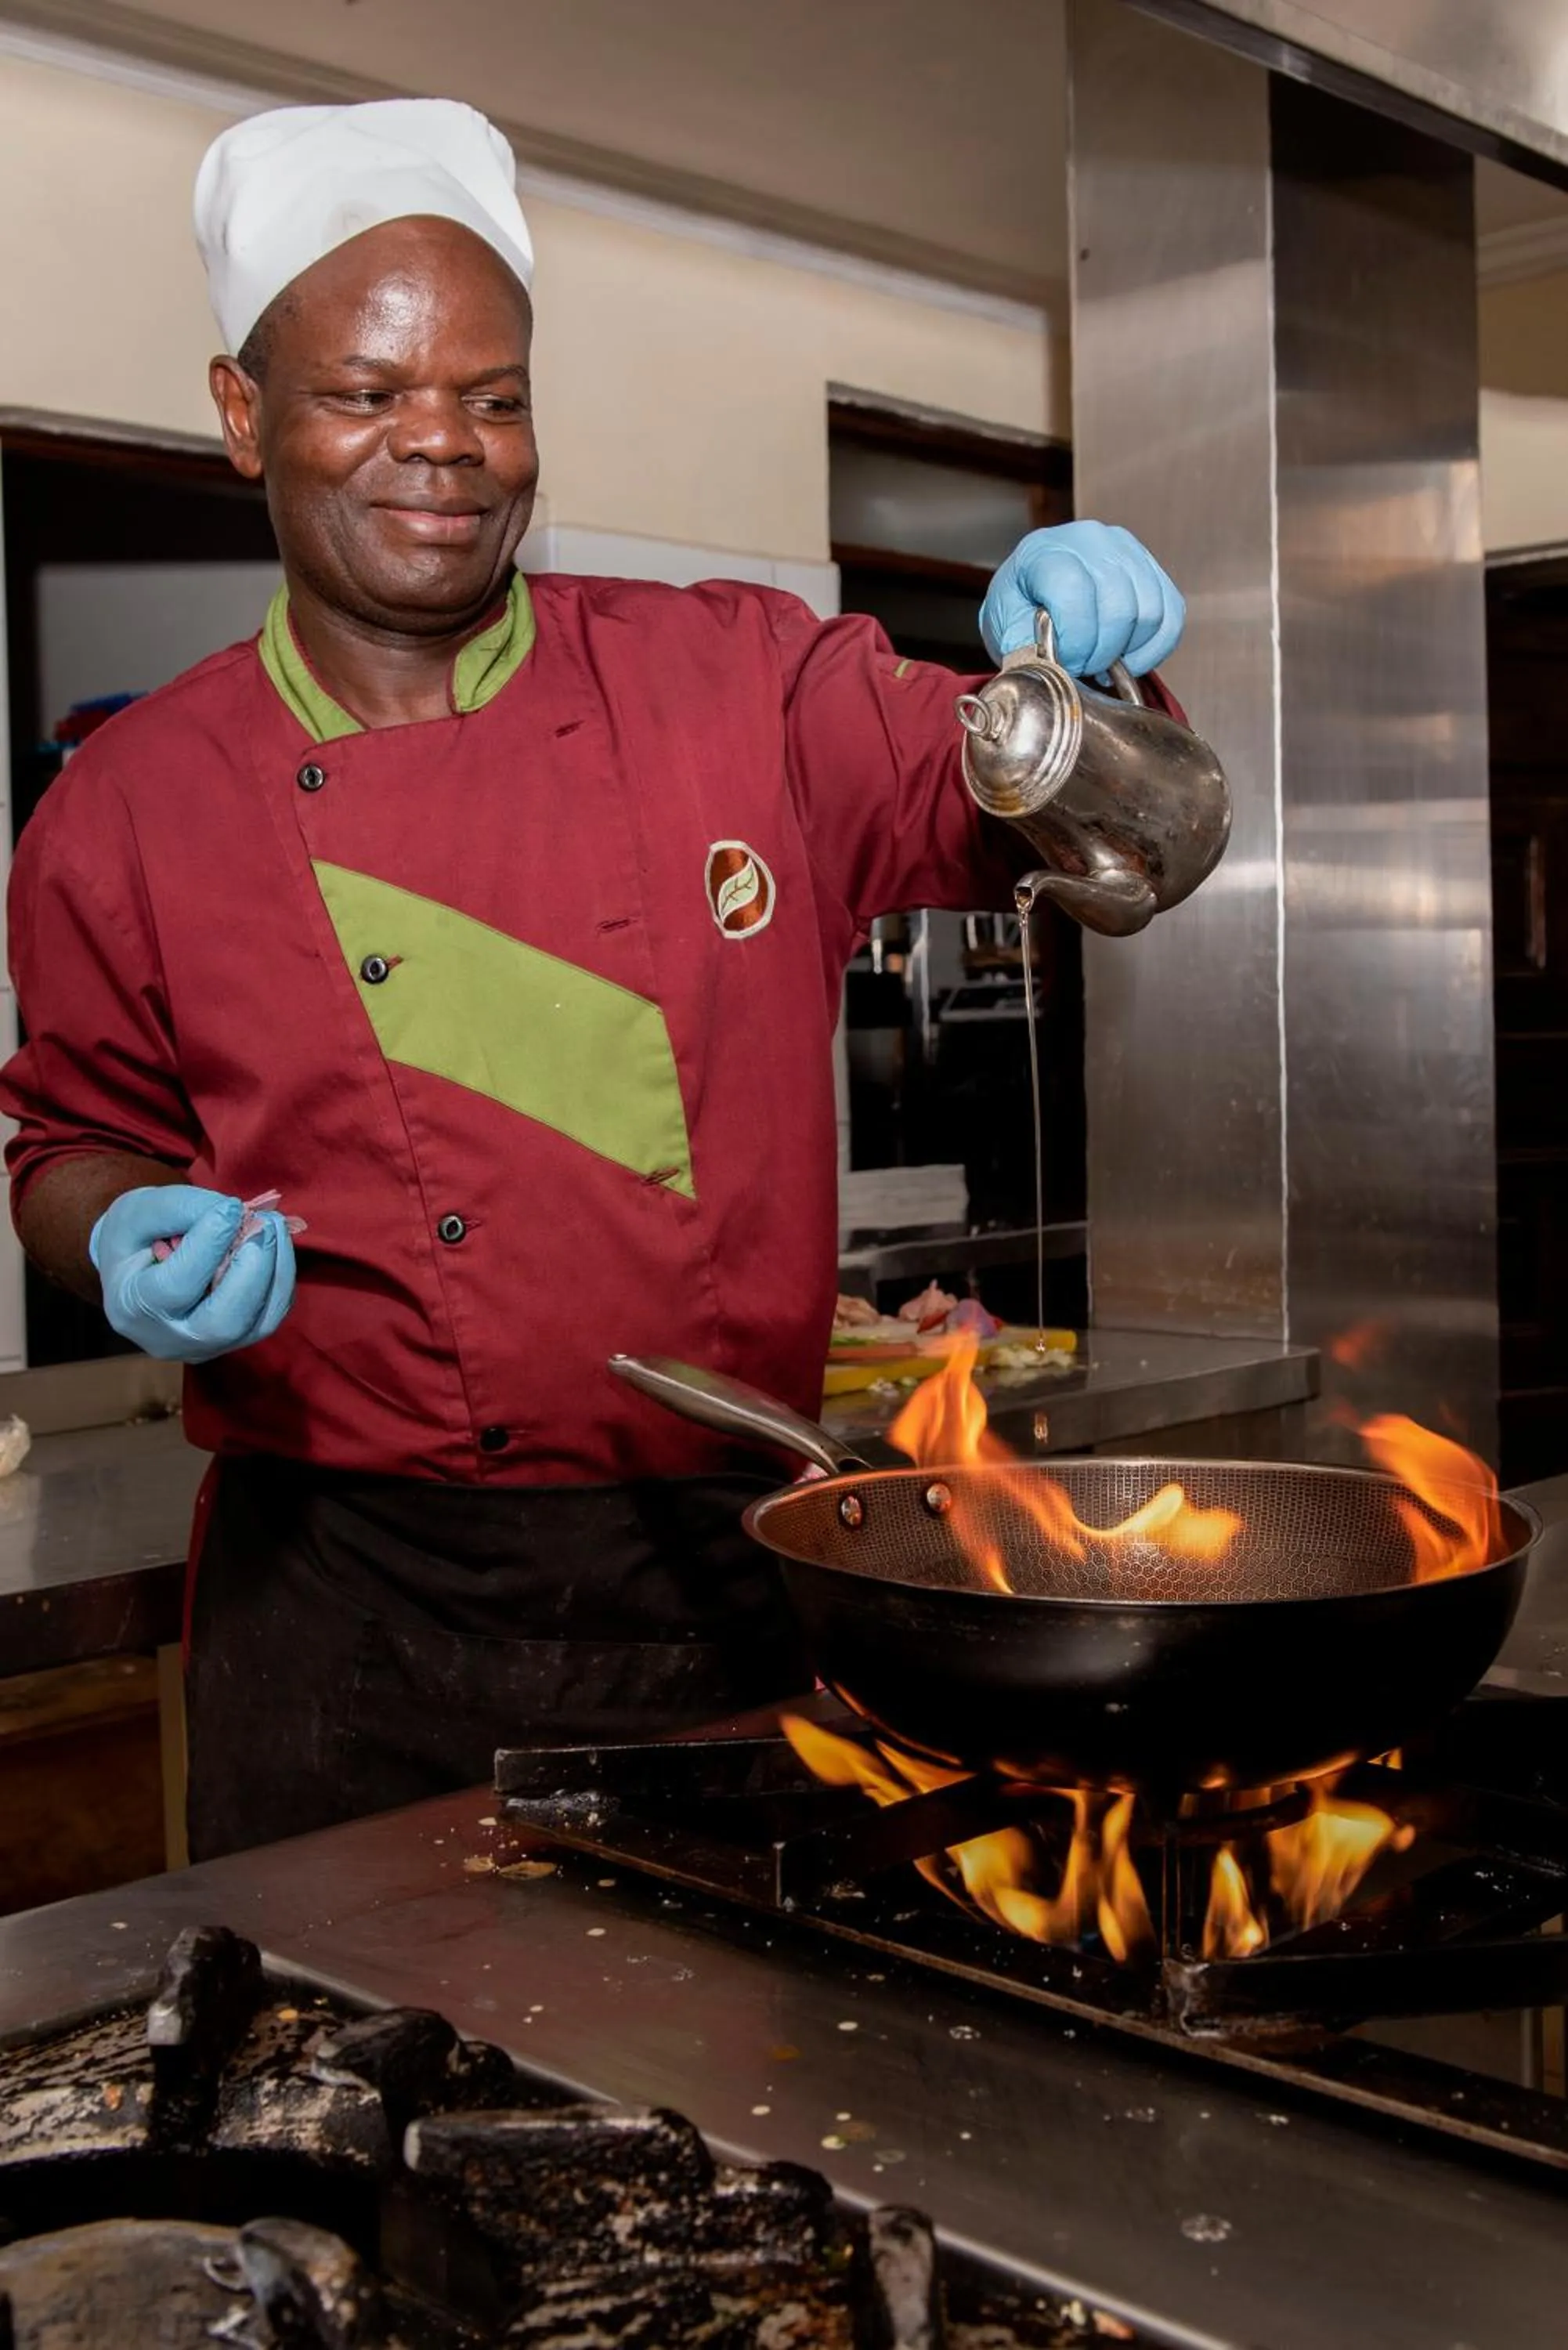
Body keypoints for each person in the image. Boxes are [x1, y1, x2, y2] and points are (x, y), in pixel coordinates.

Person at [0, 100, 1188, 1860]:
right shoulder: (127, 801)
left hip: (719, 1575)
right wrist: (108, 1232)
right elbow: (61, 1140)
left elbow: (1119, 846)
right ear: (243, 413)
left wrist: (1076, 699)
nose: (445, 446)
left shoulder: (740, 685)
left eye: (493, 397)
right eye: (369, 394)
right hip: (339, 1608)